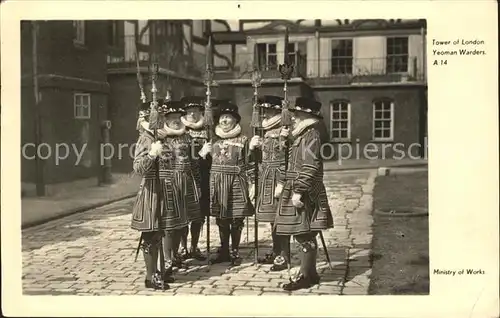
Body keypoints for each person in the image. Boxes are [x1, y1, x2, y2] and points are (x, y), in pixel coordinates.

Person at [131, 99, 202, 289]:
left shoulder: (162, 137)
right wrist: (152, 154)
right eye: (160, 116)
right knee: (150, 235)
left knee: (160, 233)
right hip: (152, 191)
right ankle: (150, 275)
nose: (163, 120)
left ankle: (160, 271)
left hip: (166, 190)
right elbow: (138, 168)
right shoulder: (146, 139)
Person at [274, 97, 334, 291]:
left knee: (304, 233)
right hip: (296, 186)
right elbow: (289, 162)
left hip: (306, 190)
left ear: (308, 116)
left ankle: (306, 275)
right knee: (302, 232)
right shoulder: (300, 135)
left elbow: (310, 165)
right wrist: (283, 182)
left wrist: (298, 191)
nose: (293, 118)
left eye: (297, 115)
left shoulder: (311, 135)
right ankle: (312, 273)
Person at [199, 101, 255, 266]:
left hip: (237, 182)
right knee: (221, 218)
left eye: (228, 118)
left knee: (236, 217)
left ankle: (234, 250)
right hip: (217, 183)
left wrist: (253, 183)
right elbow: (203, 167)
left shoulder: (244, 140)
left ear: (235, 121)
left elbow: (250, 164)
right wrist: (203, 154)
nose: (224, 121)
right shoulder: (212, 141)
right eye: (222, 118)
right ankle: (224, 249)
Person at [248, 95, 290, 271]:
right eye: (264, 111)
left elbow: (287, 160)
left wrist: (282, 181)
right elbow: (256, 161)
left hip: (279, 177)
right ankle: (276, 250)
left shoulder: (284, 130)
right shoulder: (263, 132)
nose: (265, 114)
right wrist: (252, 149)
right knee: (271, 219)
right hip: (265, 177)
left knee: (281, 218)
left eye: (269, 111)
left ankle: (284, 254)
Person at [177, 96, 211, 261]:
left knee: (199, 214)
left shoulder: (208, 129)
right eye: (189, 112)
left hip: (203, 175)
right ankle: (182, 247)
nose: (193, 115)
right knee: (184, 213)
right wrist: (199, 154)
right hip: (186, 174)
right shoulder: (179, 129)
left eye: (196, 111)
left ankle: (194, 246)